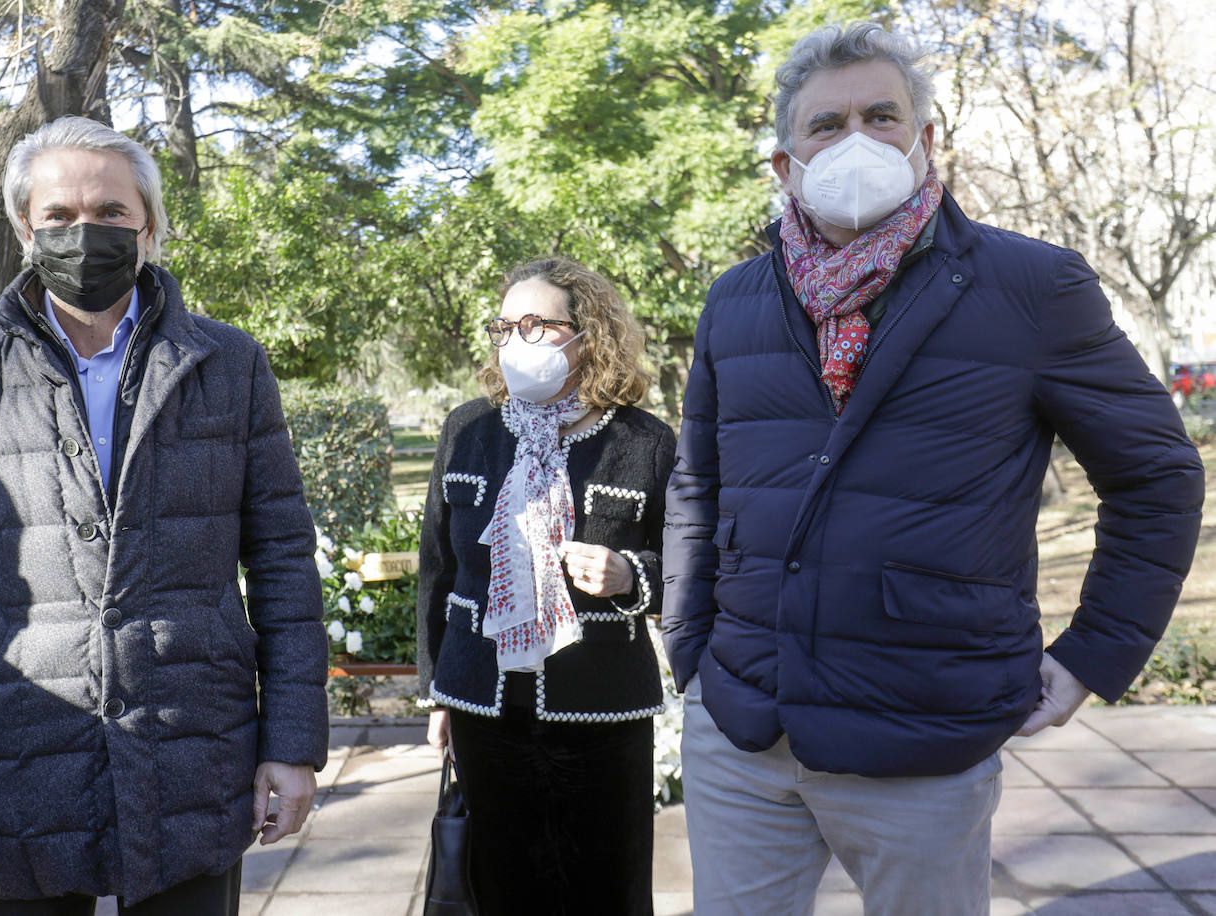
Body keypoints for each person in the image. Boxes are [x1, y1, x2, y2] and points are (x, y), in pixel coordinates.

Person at [662, 22, 1204, 916]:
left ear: (927, 140)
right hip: (743, 726)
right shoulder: (735, 300)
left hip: (923, 727)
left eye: (883, 116)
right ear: (783, 164)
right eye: (826, 125)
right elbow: (697, 482)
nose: (856, 140)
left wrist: (1095, 654)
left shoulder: (1032, 288)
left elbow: (1157, 475)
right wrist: (689, 650)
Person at [0, 116, 329, 916]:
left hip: (192, 759)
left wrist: (292, 745)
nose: (85, 233)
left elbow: (285, 561)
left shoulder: (229, 365)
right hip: (14, 774)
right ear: (24, 227)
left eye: (111, 213)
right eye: (58, 216)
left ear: (149, 223)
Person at [418, 257, 675, 915]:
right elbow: (438, 571)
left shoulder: (643, 441)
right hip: (484, 701)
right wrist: (436, 695)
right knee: (502, 887)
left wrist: (630, 575)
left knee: (608, 892)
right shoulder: (469, 431)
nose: (515, 342)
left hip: (601, 707)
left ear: (590, 335)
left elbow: (691, 572)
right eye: (505, 327)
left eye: (535, 324)